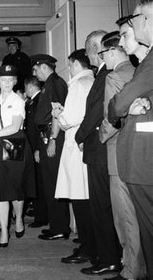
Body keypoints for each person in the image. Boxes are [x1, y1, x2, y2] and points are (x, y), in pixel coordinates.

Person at [108, 0, 153, 280]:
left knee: (148, 231)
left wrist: (125, 105)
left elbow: (118, 104)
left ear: (147, 19)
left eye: (134, 20)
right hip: (141, 159)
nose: (132, 31)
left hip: (144, 161)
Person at [99, 30, 146, 280]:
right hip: (140, 153)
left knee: (125, 216)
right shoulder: (139, 70)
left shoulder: (114, 76)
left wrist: (100, 135)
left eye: (102, 53)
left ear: (113, 50)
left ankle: (131, 271)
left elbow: (112, 118)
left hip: (118, 152)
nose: (101, 59)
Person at [75, 31, 121, 276]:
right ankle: (107, 255)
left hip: (100, 150)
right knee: (102, 206)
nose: (85, 54)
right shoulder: (101, 74)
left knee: (102, 206)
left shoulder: (106, 75)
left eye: (87, 49)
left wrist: (78, 136)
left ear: (96, 48)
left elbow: (95, 112)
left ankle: (109, 258)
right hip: (99, 150)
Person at [52, 49, 96, 264]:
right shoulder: (92, 80)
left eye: (70, 65)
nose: (69, 69)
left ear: (76, 64)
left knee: (79, 198)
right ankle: (88, 243)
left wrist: (58, 113)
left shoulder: (79, 84)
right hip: (85, 145)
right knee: (86, 197)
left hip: (76, 145)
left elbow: (69, 119)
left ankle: (87, 247)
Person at [0, 65, 35, 248]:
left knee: (14, 187)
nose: (6, 83)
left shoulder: (18, 100)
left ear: (14, 82)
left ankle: (19, 219)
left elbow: (14, 127)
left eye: (10, 79)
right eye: (2, 79)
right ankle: (5, 231)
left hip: (14, 142)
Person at [31, 54, 71, 241]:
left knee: (54, 182)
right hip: (45, 136)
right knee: (49, 183)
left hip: (52, 136)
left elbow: (57, 112)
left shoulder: (55, 84)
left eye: (36, 68)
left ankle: (60, 228)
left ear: (44, 67)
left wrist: (53, 139)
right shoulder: (49, 84)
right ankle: (57, 225)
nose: (34, 72)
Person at [24, 76, 47, 229]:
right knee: (37, 182)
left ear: (30, 87)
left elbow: (40, 128)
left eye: (25, 88)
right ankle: (40, 215)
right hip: (32, 147)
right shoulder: (32, 101)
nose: (25, 91)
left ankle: (42, 218)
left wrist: (38, 148)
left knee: (40, 183)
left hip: (37, 148)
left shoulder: (39, 101)